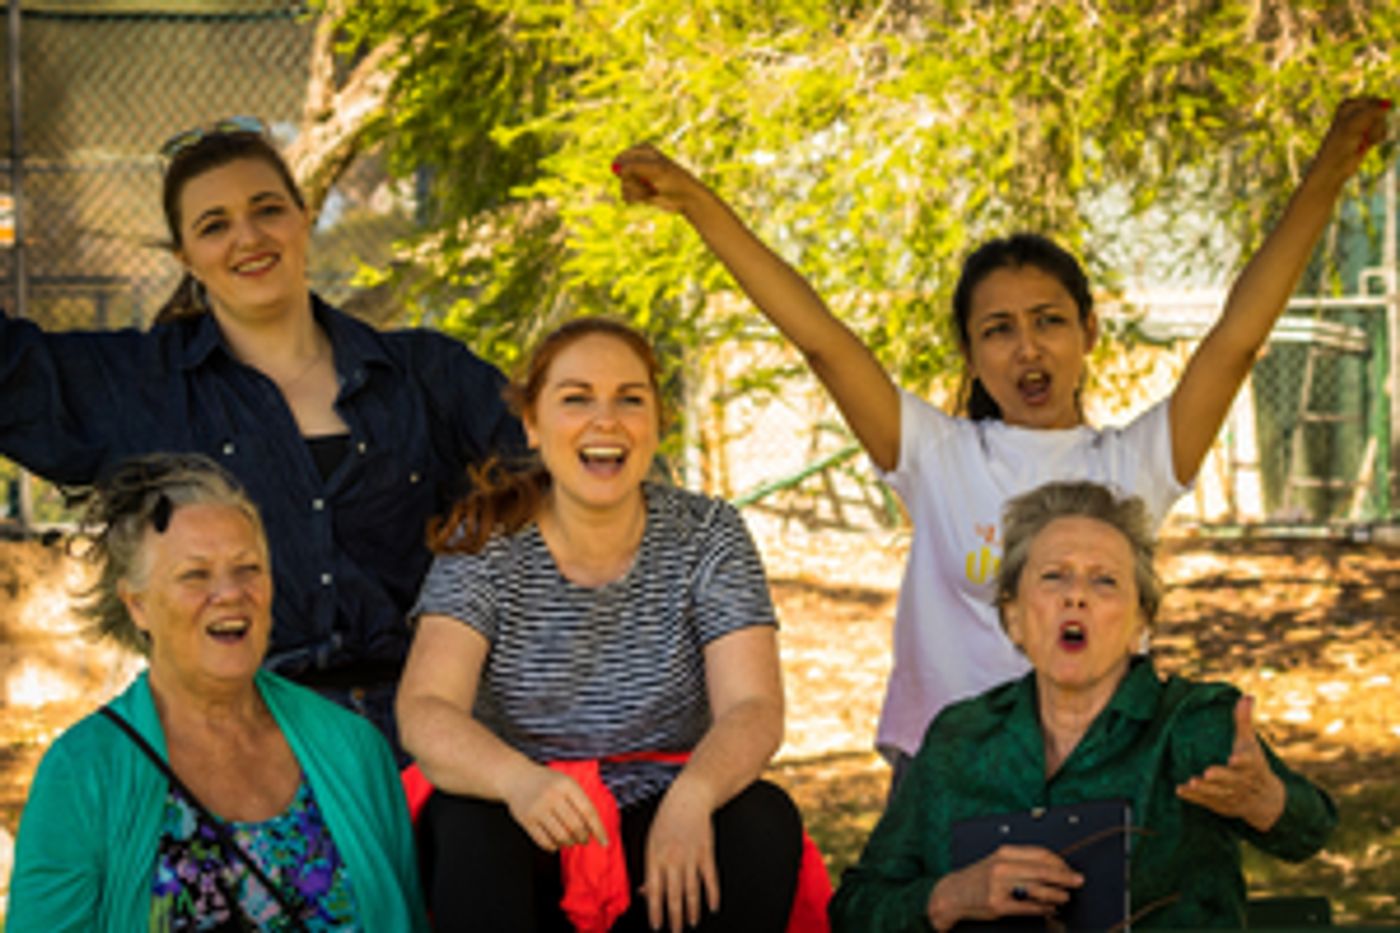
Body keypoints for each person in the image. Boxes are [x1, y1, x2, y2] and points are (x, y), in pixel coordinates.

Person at [612, 97, 1392, 782]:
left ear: (1089, 330)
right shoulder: (936, 455)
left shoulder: (1133, 465)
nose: (1027, 349)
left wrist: (1328, 169)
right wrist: (696, 204)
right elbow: (822, 341)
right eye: (999, 330)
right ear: (972, 354)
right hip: (947, 779)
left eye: (1050, 321)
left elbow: (1235, 343)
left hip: (1097, 777)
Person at [0, 117, 521, 752]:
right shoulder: (144, 385)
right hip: (245, 745)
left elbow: (569, 479)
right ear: (184, 257)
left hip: (429, 733)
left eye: (266, 209)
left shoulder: (426, 375)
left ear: (304, 218)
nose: (247, 237)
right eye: (213, 225)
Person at [396, 317, 805, 932]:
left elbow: (753, 706)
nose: (605, 420)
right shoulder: (484, 540)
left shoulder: (709, 534)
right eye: (576, 398)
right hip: (525, 808)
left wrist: (694, 795)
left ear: (656, 422)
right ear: (532, 424)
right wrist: (518, 782)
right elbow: (426, 708)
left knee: (761, 818)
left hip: (662, 806)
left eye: (629, 399)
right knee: (469, 824)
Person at [827, 480, 1337, 931]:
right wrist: (948, 898)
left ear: (1141, 622)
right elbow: (855, 908)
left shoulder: (1190, 726)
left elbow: (1310, 831)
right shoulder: (959, 738)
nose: (1076, 596)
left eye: (1104, 580)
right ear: (1014, 617)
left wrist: (1267, 801)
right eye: (1054, 576)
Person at [7, 453, 429, 931]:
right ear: (137, 605)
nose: (230, 593)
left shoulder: (354, 750)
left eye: (248, 568)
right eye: (195, 574)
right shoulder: (83, 773)